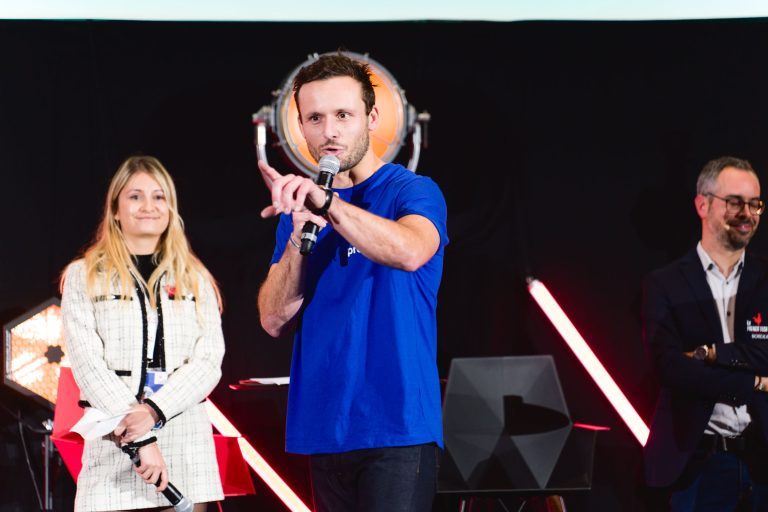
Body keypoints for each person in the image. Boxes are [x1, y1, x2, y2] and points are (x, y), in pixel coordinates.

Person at [257, 53, 448, 512]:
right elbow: (272, 317)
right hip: (325, 427)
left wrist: (330, 206)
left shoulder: (412, 191)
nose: (330, 132)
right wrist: (299, 238)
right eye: (316, 119)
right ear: (301, 127)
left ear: (372, 118)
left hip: (397, 427)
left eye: (343, 115)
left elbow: (409, 250)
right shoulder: (303, 208)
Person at [61, 155, 225, 512]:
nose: (148, 206)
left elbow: (209, 362)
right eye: (135, 196)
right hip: (114, 446)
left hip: (184, 446)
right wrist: (140, 435)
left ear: (171, 208)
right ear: (116, 209)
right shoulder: (83, 275)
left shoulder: (196, 278)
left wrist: (153, 411)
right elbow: (88, 365)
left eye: (159, 196)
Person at [643, 156, 768, 511]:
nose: (747, 212)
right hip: (697, 464)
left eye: (755, 203)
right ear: (703, 204)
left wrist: (711, 353)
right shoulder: (664, 284)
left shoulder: (766, 279)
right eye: (734, 202)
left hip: (763, 461)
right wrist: (756, 382)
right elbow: (670, 368)